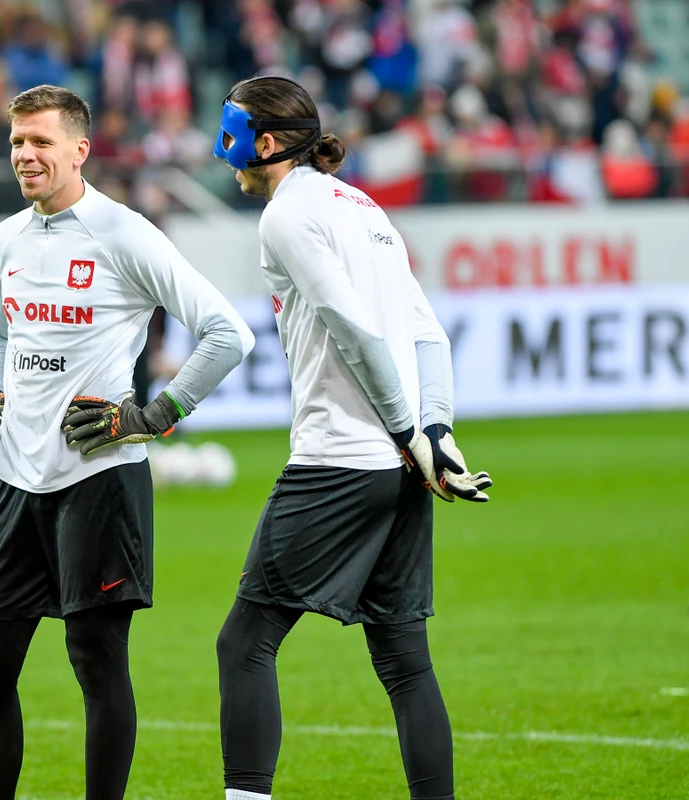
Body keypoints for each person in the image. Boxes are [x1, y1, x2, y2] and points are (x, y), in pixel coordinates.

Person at [0, 85, 255, 800]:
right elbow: (1, 329)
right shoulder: (7, 238)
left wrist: (156, 415)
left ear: (79, 151)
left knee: (95, 660)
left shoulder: (124, 234)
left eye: (41, 143)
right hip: (14, 480)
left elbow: (229, 333)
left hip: (99, 481)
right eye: (16, 143)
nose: (26, 156)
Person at [210, 76, 494, 800]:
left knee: (245, 643)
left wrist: (409, 429)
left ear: (265, 143)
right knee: (404, 660)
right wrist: (435, 432)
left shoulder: (286, 217)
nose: (226, 145)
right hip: (399, 466)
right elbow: (429, 334)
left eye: (234, 129)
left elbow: (352, 326)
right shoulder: (364, 207)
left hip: (340, 457)